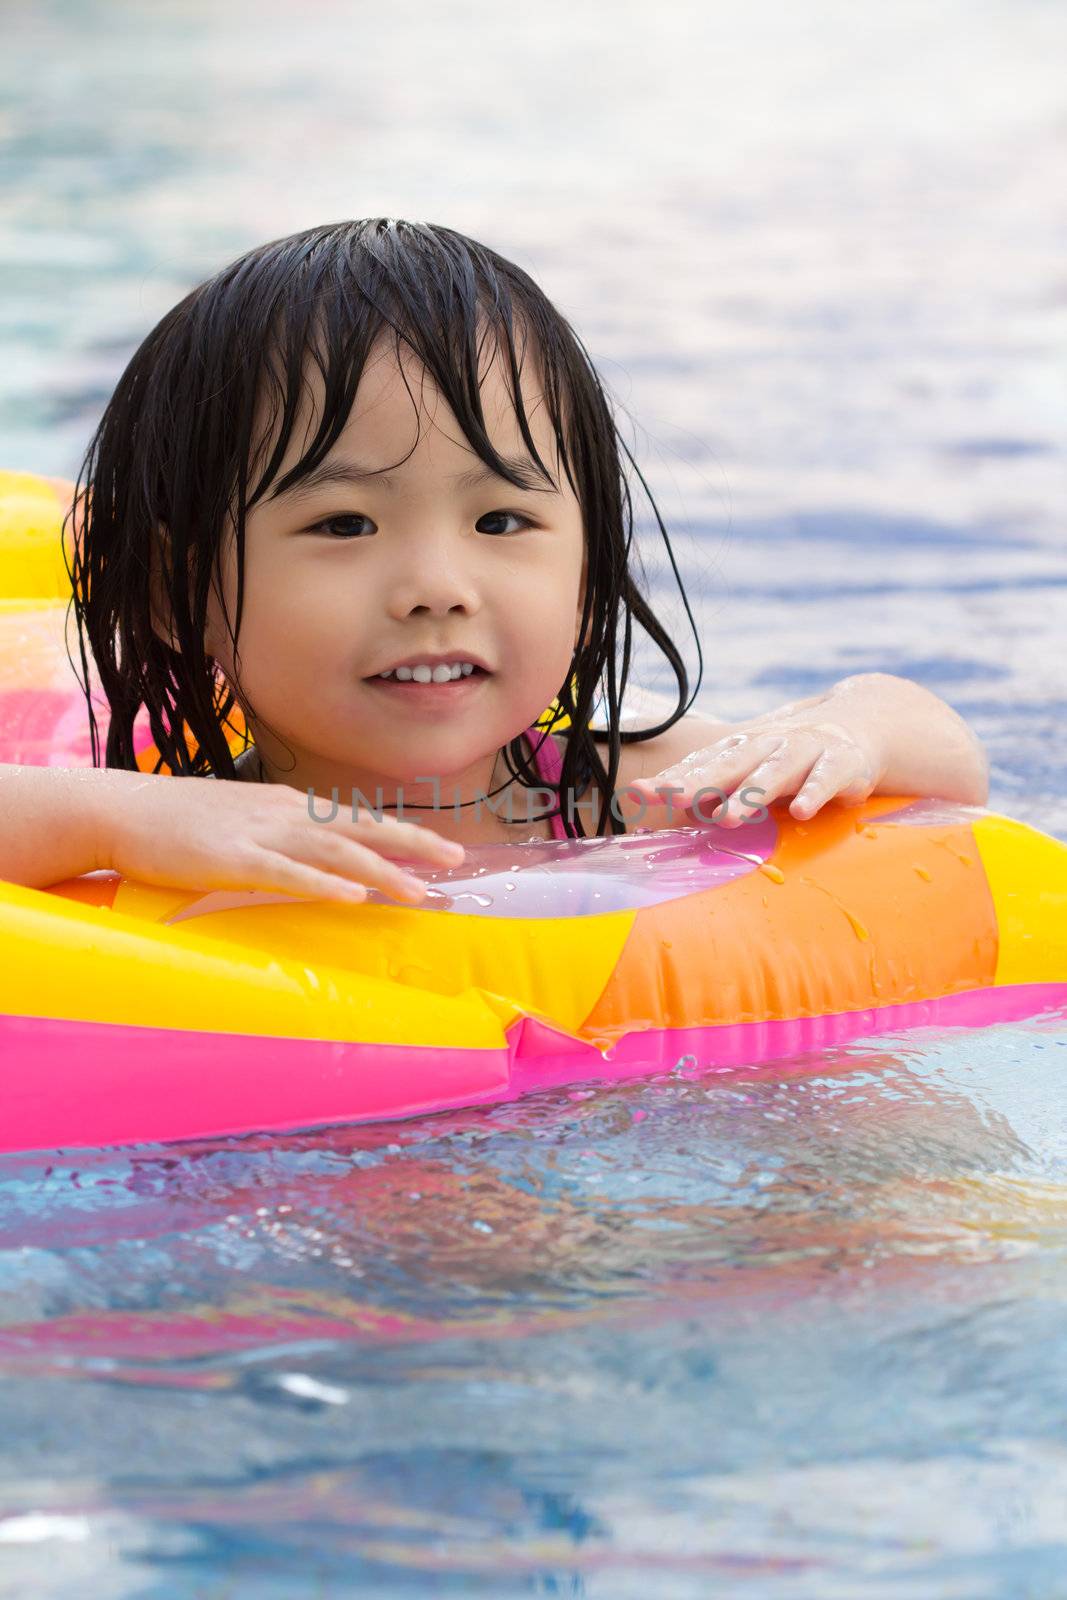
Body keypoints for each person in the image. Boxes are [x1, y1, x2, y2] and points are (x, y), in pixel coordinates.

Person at [0, 218, 989, 904]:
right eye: (344, 524)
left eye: (502, 522)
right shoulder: (196, 828)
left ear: (589, 575)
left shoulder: (622, 794)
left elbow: (940, 751)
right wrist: (113, 817)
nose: (437, 586)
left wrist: (851, 724)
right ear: (177, 596)